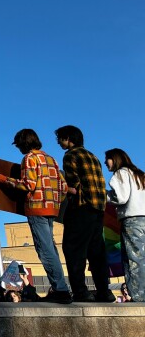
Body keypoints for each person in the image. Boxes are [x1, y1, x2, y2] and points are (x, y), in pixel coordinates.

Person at [0, 129, 72, 304]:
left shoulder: (29, 159)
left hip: (36, 209)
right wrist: (54, 201)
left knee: (45, 251)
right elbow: (64, 187)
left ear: (23, 143)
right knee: (51, 249)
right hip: (52, 209)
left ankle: (60, 289)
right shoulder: (51, 159)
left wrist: (2, 178)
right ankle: (60, 287)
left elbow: (28, 185)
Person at [55, 126, 114, 302]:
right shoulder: (92, 156)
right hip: (98, 208)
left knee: (74, 250)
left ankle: (81, 291)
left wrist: (61, 186)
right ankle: (105, 291)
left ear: (68, 139)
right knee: (96, 252)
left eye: (60, 139)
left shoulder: (70, 156)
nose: (58, 142)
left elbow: (74, 186)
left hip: (81, 207)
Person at [105, 148, 145, 302]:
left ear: (115, 159)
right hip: (143, 218)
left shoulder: (121, 173)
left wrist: (104, 195)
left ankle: (139, 297)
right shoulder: (139, 174)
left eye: (107, 159)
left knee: (133, 260)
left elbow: (120, 198)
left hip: (132, 220)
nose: (105, 163)